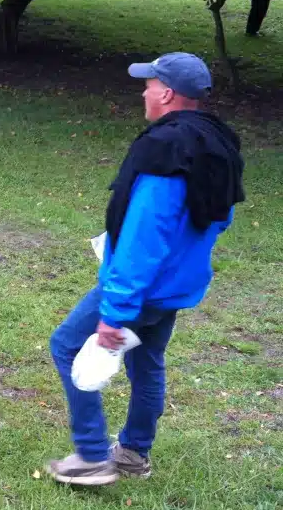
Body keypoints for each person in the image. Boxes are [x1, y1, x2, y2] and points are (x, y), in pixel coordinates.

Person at [46, 53, 245, 486]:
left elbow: (144, 237)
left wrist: (115, 311)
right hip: (175, 286)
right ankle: (134, 453)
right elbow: (219, 218)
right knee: (147, 361)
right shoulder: (218, 143)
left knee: (64, 345)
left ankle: (93, 456)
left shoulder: (166, 150)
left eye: (150, 84)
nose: (144, 91)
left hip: (142, 287)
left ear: (168, 93)